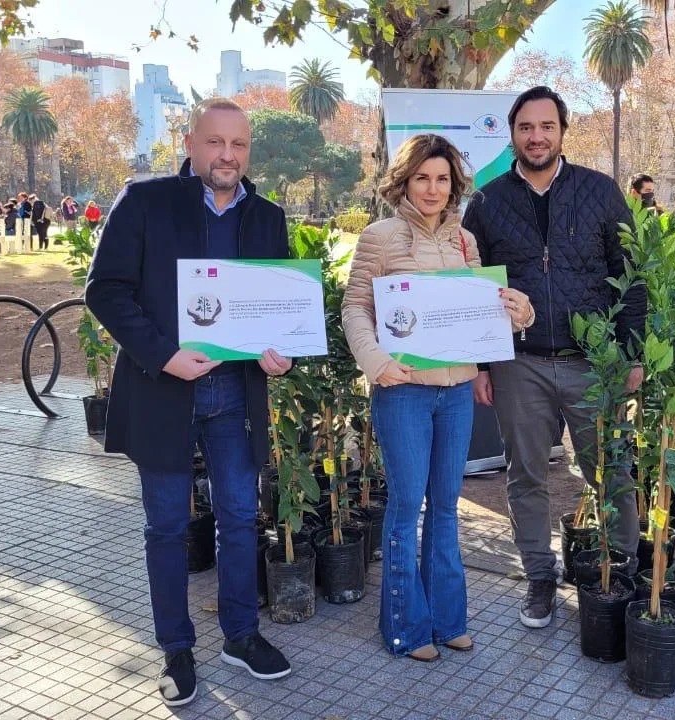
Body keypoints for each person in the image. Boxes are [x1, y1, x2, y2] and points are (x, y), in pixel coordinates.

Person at [86, 97, 295, 707]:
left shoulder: (268, 217)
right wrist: (163, 355)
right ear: (190, 144)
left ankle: (241, 635)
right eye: (215, 142)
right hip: (164, 390)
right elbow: (106, 291)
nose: (227, 155)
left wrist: (279, 353)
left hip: (235, 394)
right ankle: (177, 649)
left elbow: (278, 305)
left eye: (239, 144)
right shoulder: (144, 201)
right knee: (167, 527)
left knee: (240, 518)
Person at [343, 134, 535, 661]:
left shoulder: (465, 242)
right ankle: (406, 628)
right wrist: (375, 361)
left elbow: (481, 313)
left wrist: (519, 313)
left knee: (446, 508)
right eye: (422, 178)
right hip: (402, 392)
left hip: (454, 396)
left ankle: (449, 621)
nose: (432, 189)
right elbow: (355, 308)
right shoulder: (381, 237)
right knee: (407, 507)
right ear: (404, 182)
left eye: (442, 179)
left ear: (455, 185)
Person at [462, 86, 647, 629]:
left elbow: (631, 276)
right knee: (526, 476)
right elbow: (471, 285)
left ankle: (622, 570)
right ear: (512, 135)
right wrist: (480, 366)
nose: (536, 137)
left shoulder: (600, 191)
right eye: (526, 127)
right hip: (518, 364)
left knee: (610, 471)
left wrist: (632, 354)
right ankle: (540, 577)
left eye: (546, 126)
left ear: (563, 131)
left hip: (592, 362)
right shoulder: (488, 201)